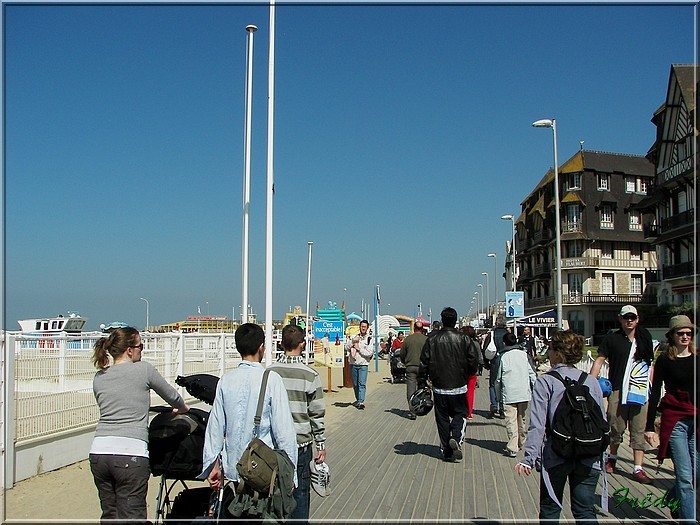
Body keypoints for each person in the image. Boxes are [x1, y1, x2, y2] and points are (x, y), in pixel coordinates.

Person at [90, 327, 189, 523]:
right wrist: (182, 409)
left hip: (99, 452)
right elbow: (173, 396)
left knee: (110, 515)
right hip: (130, 453)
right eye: (140, 346)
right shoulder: (143, 370)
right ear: (129, 350)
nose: (141, 351)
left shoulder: (99, 378)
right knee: (132, 515)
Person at [515, 330, 606, 523]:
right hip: (588, 453)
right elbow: (602, 422)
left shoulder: (546, 381)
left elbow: (538, 425)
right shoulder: (591, 381)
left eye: (550, 349)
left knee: (550, 510)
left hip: (556, 453)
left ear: (557, 353)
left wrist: (529, 458)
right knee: (585, 511)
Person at [201, 323, 297, 496]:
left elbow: (215, 427)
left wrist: (212, 464)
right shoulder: (271, 379)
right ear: (261, 347)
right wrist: (291, 475)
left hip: (234, 468)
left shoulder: (226, 380)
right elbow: (284, 432)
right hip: (263, 471)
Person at [589, 305, 655, 484]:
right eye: (626, 317)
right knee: (615, 425)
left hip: (639, 390)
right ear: (620, 319)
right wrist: (589, 385)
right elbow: (600, 360)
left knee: (638, 428)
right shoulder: (612, 339)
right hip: (618, 388)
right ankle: (613, 457)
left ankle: (638, 467)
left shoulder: (645, 337)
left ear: (638, 319)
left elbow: (650, 364)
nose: (629, 320)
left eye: (632, 317)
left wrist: (652, 387)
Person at [268, 324, 326, 522]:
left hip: (274, 444)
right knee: (300, 492)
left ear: (281, 343)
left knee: (274, 492)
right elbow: (316, 414)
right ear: (302, 344)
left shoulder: (269, 373)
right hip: (300, 443)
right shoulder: (310, 374)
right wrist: (321, 445)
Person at [644, 315, 697, 521]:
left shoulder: (697, 358)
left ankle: (672, 498)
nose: (685, 336)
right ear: (672, 336)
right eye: (680, 333)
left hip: (696, 420)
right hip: (674, 421)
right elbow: (655, 392)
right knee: (684, 477)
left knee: (696, 474)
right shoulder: (665, 360)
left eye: (688, 333)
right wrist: (649, 426)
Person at [418, 307, 480, 462]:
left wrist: (422, 382)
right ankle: (456, 437)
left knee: (442, 418)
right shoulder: (464, 339)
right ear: (455, 320)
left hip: (439, 386)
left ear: (442, 320)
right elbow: (473, 360)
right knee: (461, 413)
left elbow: (424, 362)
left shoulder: (432, 339)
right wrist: (467, 374)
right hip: (459, 385)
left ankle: (446, 451)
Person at [497, 332, 536, 457]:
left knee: (511, 420)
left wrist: (498, 397)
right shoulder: (524, 355)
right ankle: (521, 441)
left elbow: (498, 379)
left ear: (504, 343)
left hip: (509, 393)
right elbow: (532, 374)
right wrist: (536, 389)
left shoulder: (503, 357)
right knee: (522, 418)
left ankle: (512, 446)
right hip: (524, 392)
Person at [400, 320, 428, 420]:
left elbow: (402, 353)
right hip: (422, 367)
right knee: (421, 388)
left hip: (410, 366)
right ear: (422, 329)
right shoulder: (426, 339)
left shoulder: (408, 339)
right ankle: (421, 407)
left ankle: (412, 410)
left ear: (414, 328)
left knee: (411, 389)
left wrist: (405, 362)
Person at [344, 319, 373, 409]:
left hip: (363, 364)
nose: (363, 328)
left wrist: (359, 348)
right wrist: (352, 342)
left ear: (367, 328)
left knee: (362, 384)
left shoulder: (369, 339)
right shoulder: (354, 337)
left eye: (365, 327)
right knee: (355, 384)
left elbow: (369, 353)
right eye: (362, 326)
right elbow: (346, 347)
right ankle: (358, 399)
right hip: (353, 363)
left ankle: (361, 401)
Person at [484, 316, 508, 419]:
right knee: (504, 384)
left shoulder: (492, 334)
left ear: (496, 323)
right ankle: (502, 409)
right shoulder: (508, 334)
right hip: (507, 361)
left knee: (493, 383)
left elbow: (485, 349)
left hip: (495, 360)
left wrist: (486, 363)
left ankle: (494, 405)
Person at [461, 325, 483, 420]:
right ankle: (469, 412)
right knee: (470, 392)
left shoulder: (461, 343)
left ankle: (461, 410)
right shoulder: (476, 344)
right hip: (473, 371)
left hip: (462, 371)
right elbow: (480, 358)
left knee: (461, 391)